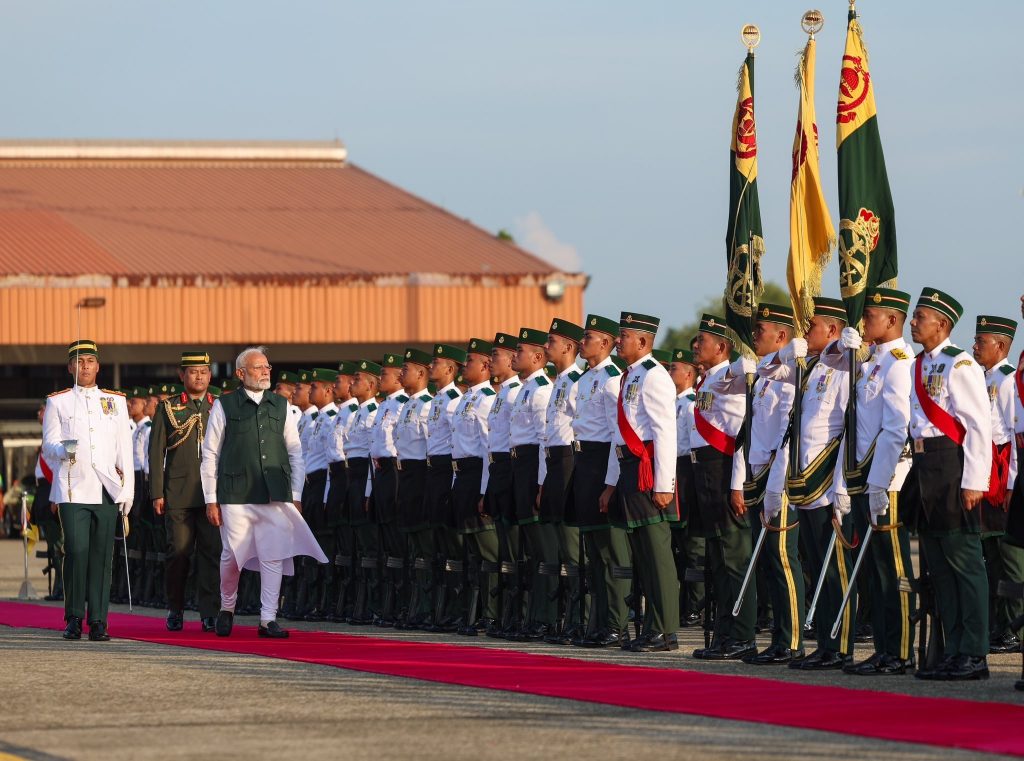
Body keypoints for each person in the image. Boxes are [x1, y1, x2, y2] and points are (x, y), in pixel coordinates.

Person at [201, 346, 328, 639]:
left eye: (268, 367)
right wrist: (211, 499)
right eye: (258, 367)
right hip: (235, 493)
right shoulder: (225, 405)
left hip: (275, 492)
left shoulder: (281, 406)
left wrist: (295, 494)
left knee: (273, 555)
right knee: (233, 555)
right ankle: (227, 606)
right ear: (241, 373)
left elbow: (295, 452)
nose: (265, 372)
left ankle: (267, 619)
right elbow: (210, 454)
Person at [825, 288, 917, 675]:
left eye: (871, 316)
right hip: (864, 477)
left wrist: (880, 482)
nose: (863, 323)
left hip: (887, 481)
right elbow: (853, 422)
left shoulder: (899, 361)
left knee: (893, 569)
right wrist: (846, 482)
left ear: (892, 320)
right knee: (874, 570)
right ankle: (882, 646)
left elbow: (896, 428)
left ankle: (898, 651)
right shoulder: (872, 361)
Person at [762, 297, 852, 670]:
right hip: (804, 479)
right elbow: (759, 371)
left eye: (811, 325)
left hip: (827, 477)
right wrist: (785, 353)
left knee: (836, 568)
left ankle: (840, 643)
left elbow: (848, 429)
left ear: (832, 330)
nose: (804, 332)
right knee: (818, 564)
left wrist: (843, 485)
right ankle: (827, 644)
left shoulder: (846, 365)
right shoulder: (810, 366)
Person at [909, 288, 992, 681]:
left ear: (941, 324)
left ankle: (974, 652)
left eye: (919, 316)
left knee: (964, 565)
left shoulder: (959, 365)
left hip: (953, 467)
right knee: (939, 567)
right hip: (926, 466)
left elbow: (978, 426)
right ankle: (952, 648)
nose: (913, 321)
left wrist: (975, 481)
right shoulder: (918, 365)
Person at [722, 304, 801, 665]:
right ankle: (779, 639)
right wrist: (742, 365)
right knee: (768, 561)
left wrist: (777, 484)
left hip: (777, 476)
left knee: (782, 559)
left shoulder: (790, 374)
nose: (753, 337)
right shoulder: (763, 374)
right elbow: (722, 385)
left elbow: (789, 432)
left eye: (760, 331)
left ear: (781, 336)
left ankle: (792, 640)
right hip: (757, 475)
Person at [42, 340, 135, 641]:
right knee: (77, 551)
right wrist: (63, 449)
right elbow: (48, 446)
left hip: (107, 487)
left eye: (90, 361)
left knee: (101, 555)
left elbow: (124, 449)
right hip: (72, 487)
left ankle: (98, 620)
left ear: (98, 366)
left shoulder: (115, 401)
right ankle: (74, 617)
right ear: (70, 367)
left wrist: (127, 493)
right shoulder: (59, 402)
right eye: (79, 362)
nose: (85, 367)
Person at [600, 311, 679, 652]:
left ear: (644, 342)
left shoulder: (654, 376)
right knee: (643, 556)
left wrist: (665, 484)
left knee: (657, 553)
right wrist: (613, 482)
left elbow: (665, 431)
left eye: (625, 335)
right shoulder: (629, 376)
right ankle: (651, 627)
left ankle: (665, 629)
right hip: (630, 469)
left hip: (649, 472)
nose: (619, 340)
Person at [688, 314, 752, 659]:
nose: (696, 346)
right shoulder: (707, 381)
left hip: (725, 471)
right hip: (705, 474)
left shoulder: (731, 378)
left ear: (722, 347)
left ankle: (741, 635)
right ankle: (725, 632)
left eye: (702, 341)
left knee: (734, 560)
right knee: (718, 559)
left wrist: (738, 484)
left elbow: (741, 435)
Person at [149, 351, 222, 633]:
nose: (199, 376)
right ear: (182, 376)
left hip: (211, 493)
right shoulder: (168, 408)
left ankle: (209, 612)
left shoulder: (219, 406)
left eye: (204, 371)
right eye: (193, 371)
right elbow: (156, 453)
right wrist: (157, 492)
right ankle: (175, 608)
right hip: (177, 493)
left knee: (211, 553)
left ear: (210, 375)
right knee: (178, 554)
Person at [571, 315, 630, 647]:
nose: (583, 342)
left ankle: (616, 623)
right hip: (583, 462)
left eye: (588, 337)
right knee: (593, 551)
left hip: (602, 463)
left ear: (606, 344)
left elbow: (616, 435)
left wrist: (610, 484)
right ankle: (597, 622)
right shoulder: (584, 379)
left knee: (609, 552)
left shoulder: (611, 379)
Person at [972, 314, 1020, 654]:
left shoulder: (1006, 380)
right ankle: (996, 625)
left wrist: (1012, 485)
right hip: (983, 472)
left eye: (982, 342)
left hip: (1000, 478)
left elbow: (1015, 437)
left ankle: (1012, 626)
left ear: (1001, 346)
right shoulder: (980, 378)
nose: (976, 346)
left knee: (1006, 558)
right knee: (989, 555)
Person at [451, 338, 499, 635]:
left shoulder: (486, 400)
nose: (464, 366)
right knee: (469, 550)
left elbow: (486, 449)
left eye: (469, 361)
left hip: (477, 474)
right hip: (462, 476)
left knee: (487, 550)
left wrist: (484, 491)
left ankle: (491, 613)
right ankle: (472, 612)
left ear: (483, 367)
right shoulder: (466, 398)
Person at [670, 348, 703, 629]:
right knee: (678, 542)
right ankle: (684, 604)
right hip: (674, 469)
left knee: (692, 543)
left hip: (687, 470)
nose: (670, 375)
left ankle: (696, 605)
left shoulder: (691, 403)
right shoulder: (674, 402)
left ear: (689, 374)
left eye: (674, 370)